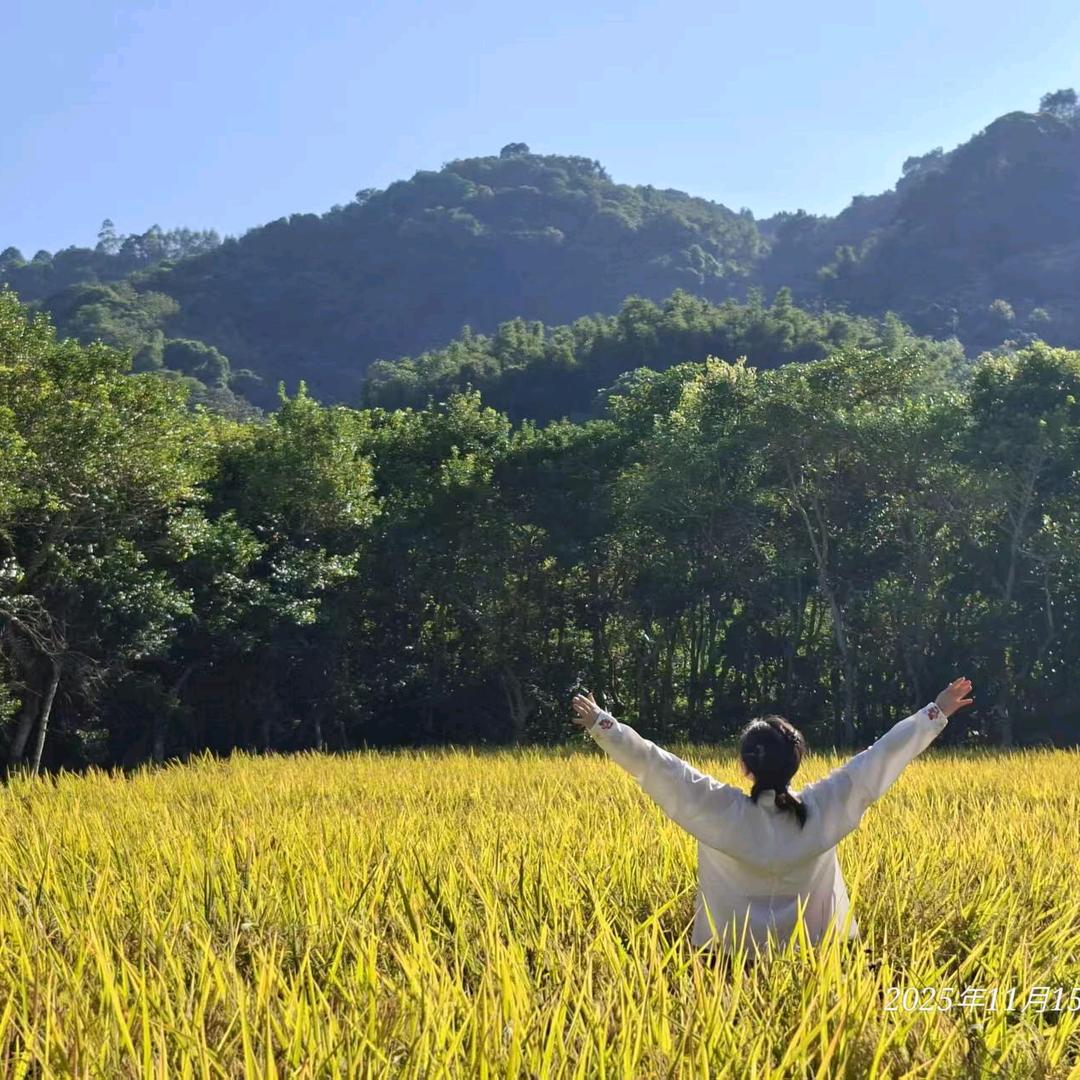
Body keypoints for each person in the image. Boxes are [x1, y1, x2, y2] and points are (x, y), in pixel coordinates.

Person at [571, 678, 973, 959]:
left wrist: (603, 725)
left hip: (727, 957)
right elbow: (881, 756)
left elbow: (657, 765)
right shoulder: (825, 806)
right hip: (815, 957)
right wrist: (936, 712)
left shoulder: (719, 810)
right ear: (797, 761)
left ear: (745, 766)